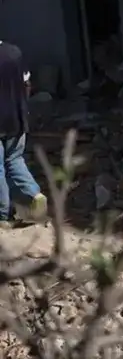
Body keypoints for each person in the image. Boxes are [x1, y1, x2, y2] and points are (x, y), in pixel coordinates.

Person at [0, 42, 46, 228]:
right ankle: (36, 195)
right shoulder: (14, 52)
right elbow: (27, 83)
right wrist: (22, 107)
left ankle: (3, 215)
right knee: (15, 159)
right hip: (17, 119)